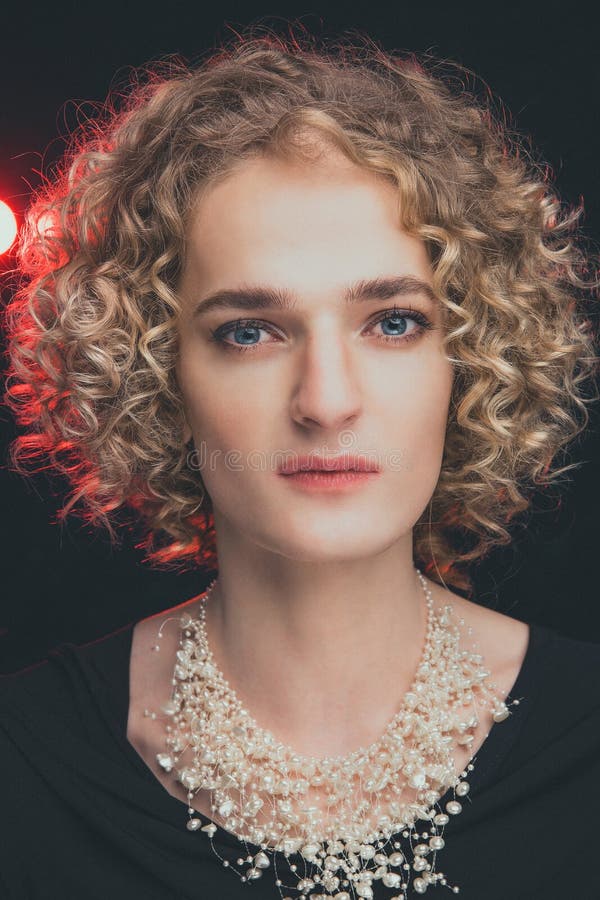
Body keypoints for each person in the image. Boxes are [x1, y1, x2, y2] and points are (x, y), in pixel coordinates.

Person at [2, 27, 600, 900]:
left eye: (393, 321)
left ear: (470, 359)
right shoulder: (23, 763)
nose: (326, 401)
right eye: (250, 331)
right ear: (157, 374)